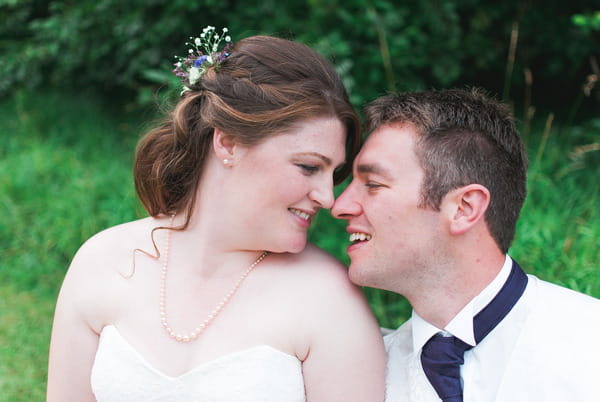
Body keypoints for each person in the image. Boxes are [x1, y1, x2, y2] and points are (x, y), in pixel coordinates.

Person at [47, 28, 386, 402]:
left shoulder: (330, 297)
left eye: (331, 173)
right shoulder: (103, 260)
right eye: (308, 167)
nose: (327, 198)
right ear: (228, 142)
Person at [332, 88, 600, 401]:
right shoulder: (363, 376)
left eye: (373, 185)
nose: (339, 205)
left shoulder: (590, 341)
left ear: (464, 208)